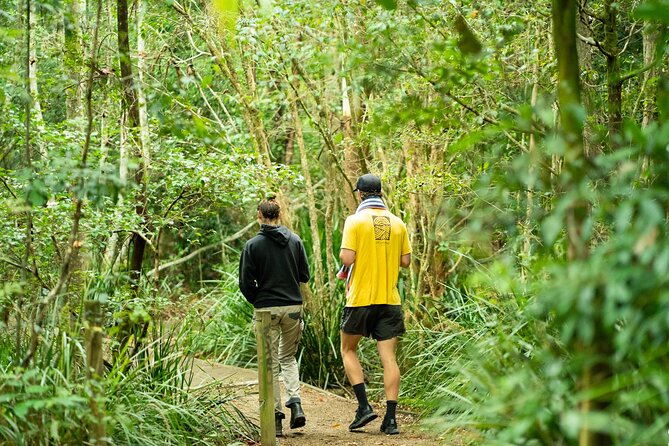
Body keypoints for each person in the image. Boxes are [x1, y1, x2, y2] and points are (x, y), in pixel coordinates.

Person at [339, 173, 411, 435]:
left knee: (348, 350)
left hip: (360, 299)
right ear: (380, 193)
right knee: (389, 358)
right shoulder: (398, 222)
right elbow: (405, 261)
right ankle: (391, 420)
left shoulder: (355, 221)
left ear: (360, 194)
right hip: (389, 300)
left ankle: (364, 407)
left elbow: (347, 258)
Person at [239, 195, 310, 437]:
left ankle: (276, 419)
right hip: (292, 307)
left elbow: (245, 282)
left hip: (266, 309)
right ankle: (295, 403)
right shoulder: (296, 240)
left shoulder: (253, 245)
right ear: (278, 215)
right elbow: (304, 276)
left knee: (268, 364)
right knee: (288, 358)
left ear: (259, 216)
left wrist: (259, 298)